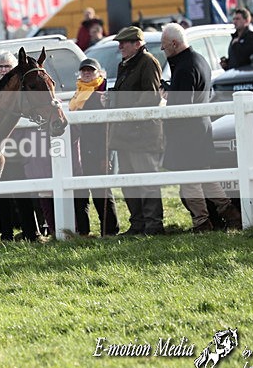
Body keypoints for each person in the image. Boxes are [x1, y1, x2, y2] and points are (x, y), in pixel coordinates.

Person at [160, 23, 242, 231]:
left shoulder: (185, 67)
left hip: (186, 131)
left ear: (174, 43)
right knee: (206, 177)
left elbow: (181, 105)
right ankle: (230, 213)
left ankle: (202, 222)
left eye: (164, 46)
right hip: (200, 128)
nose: (163, 50)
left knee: (190, 180)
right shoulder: (199, 60)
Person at [108, 26, 164, 235]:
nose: (120, 46)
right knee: (129, 181)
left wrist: (125, 113)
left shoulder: (148, 62)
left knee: (147, 180)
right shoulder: (127, 64)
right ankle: (138, 223)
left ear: (137, 44)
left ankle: (153, 225)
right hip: (126, 134)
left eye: (125, 42)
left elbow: (150, 97)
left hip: (142, 134)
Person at [0, 51, 40, 242]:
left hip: (18, 148)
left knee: (23, 194)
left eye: (7, 66)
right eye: (0, 67)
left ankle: (31, 232)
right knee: (1, 196)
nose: (3, 70)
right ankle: (6, 235)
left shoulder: (21, 92)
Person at [69, 58, 120, 236]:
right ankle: (83, 231)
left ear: (99, 73)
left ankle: (110, 230)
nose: (87, 73)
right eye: (84, 71)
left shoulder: (102, 94)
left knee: (101, 192)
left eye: (90, 70)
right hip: (80, 149)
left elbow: (106, 128)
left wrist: (106, 156)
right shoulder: (77, 95)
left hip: (98, 149)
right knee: (80, 193)